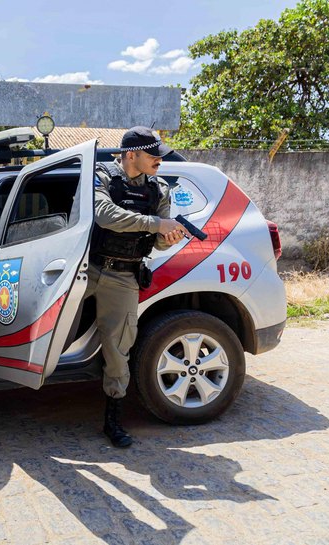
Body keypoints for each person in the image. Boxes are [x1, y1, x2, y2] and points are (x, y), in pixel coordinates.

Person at [87, 126, 187, 448]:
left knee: (118, 350)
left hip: (124, 276)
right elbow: (103, 215)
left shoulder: (158, 190)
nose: (160, 160)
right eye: (153, 154)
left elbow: (158, 244)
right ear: (132, 155)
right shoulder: (102, 176)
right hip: (85, 270)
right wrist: (157, 224)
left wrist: (167, 236)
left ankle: (112, 420)